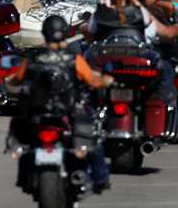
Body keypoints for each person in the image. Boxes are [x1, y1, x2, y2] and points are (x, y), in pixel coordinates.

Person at [7, 14, 113, 194]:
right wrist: (106, 80)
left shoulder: (33, 58)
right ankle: (100, 178)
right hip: (68, 112)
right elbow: (92, 81)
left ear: (44, 33)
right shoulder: (73, 59)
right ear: (64, 32)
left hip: (38, 114)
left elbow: (16, 80)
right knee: (93, 134)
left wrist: (10, 80)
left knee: (20, 137)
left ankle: (23, 177)